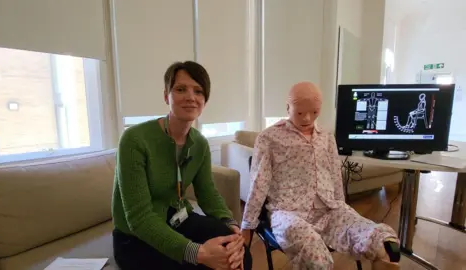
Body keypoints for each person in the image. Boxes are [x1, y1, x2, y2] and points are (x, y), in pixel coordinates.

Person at [240, 82, 401, 270]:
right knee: (311, 247)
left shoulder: (326, 137)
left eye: (314, 112)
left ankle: (382, 257)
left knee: (374, 236)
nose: (307, 118)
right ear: (287, 107)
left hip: (328, 208)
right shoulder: (269, 138)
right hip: (288, 212)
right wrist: (247, 226)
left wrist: (342, 207)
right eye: (299, 113)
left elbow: (334, 174)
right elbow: (259, 183)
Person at [112, 61, 252, 270]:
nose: (191, 97)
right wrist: (198, 253)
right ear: (166, 95)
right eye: (180, 89)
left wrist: (230, 225)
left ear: (205, 100)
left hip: (177, 218)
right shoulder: (134, 139)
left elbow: (207, 193)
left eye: (198, 91)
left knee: (240, 255)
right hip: (134, 238)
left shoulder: (199, 143)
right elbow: (139, 219)